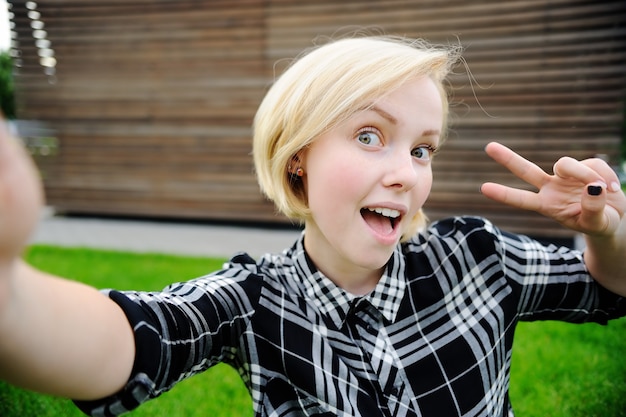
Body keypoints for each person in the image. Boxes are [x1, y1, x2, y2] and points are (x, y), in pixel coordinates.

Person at [0, 35, 625, 417]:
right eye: (370, 135)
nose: (406, 173)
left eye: (422, 149)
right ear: (299, 155)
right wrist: (9, 290)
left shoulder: (476, 257)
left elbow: (608, 288)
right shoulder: (254, 302)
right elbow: (125, 341)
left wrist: (605, 232)